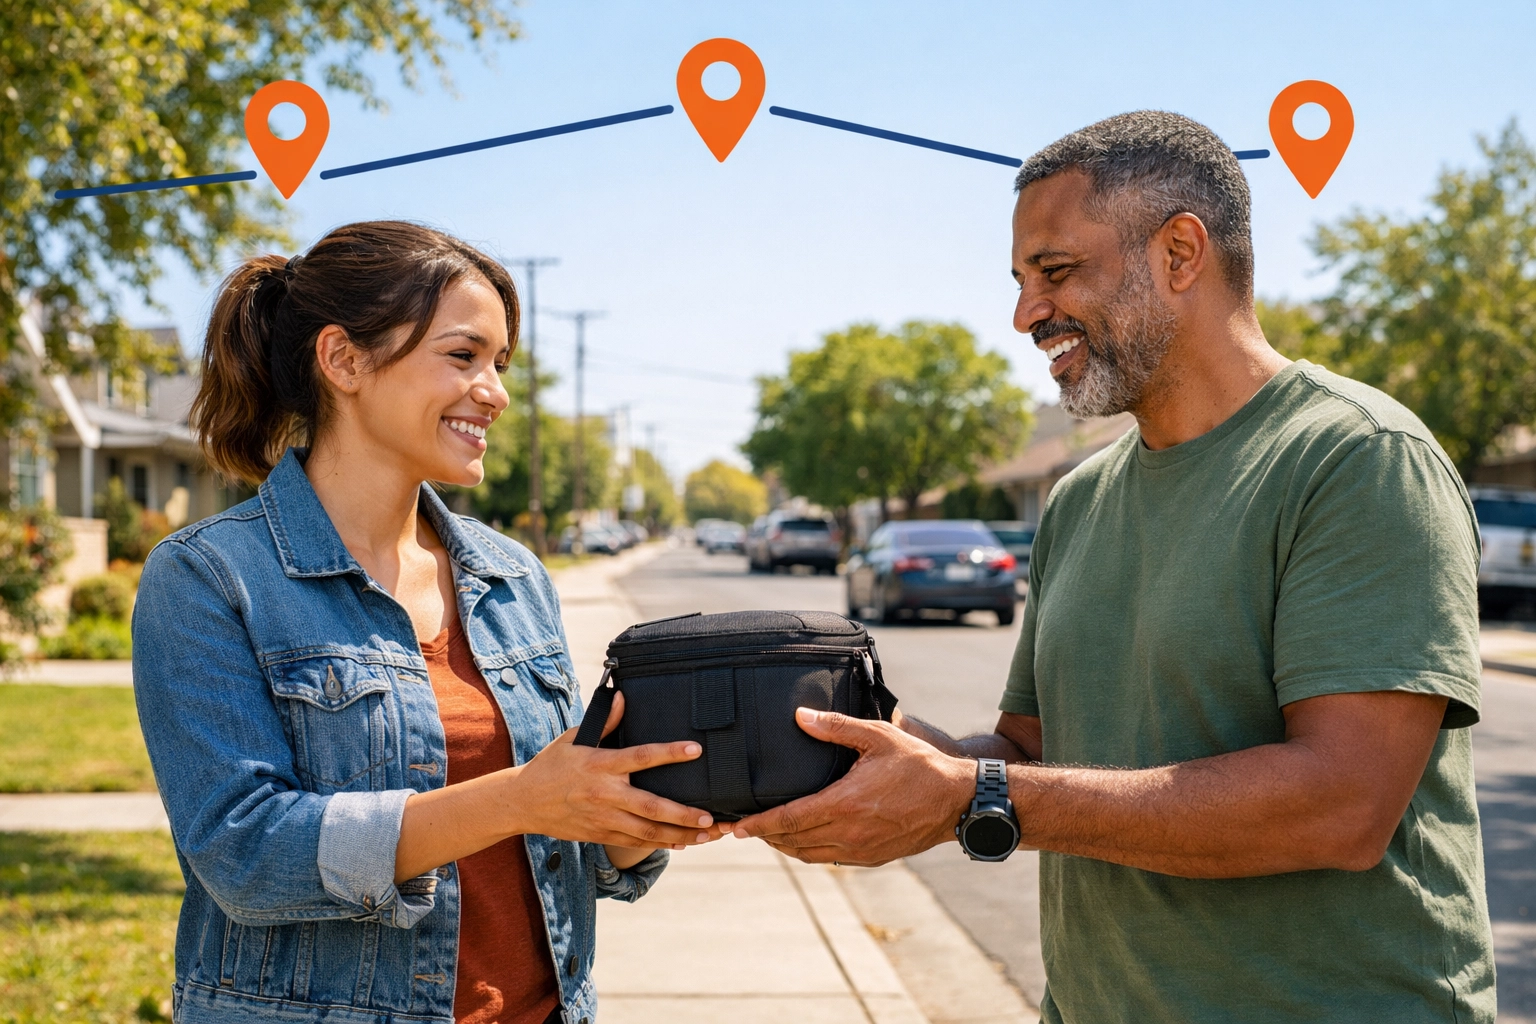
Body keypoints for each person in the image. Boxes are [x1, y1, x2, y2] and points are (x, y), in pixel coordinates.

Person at [730, 113, 1497, 1022]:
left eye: (1054, 272)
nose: (1025, 315)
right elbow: (1028, 754)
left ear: (1179, 253)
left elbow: (1342, 805)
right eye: (1019, 282)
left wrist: (968, 797)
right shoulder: (1080, 499)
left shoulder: (1358, 459)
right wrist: (867, 745)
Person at [132, 221, 717, 1024]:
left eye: (500, 364)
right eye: (462, 356)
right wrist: (520, 798)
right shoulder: (209, 576)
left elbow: (569, 846)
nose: (496, 391)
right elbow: (245, 851)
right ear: (343, 361)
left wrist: (649, 810)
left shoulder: (512, 574)